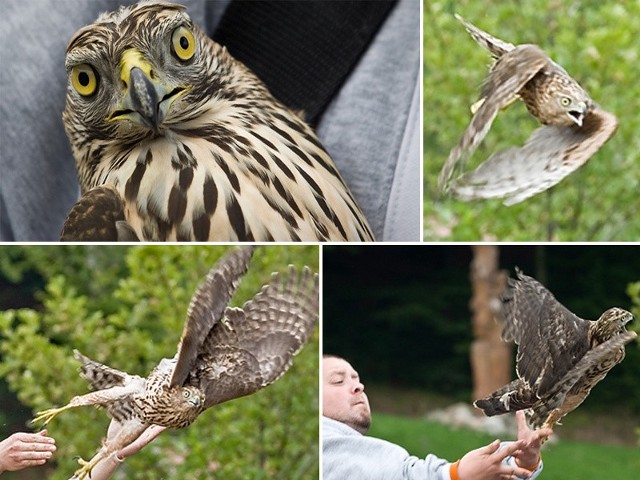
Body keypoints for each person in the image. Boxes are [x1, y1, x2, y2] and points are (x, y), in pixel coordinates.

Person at [0, 0, 420, 241]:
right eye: (89, 82)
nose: (141, 89)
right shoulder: (106, 223)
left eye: (180, 48)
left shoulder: (294, 142)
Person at [323, 355, 553, 480]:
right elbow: (403, 476)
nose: (358, 386)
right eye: (338, 381)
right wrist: (455, 474)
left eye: (356, 378)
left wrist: (521, 463)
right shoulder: (324, 442)